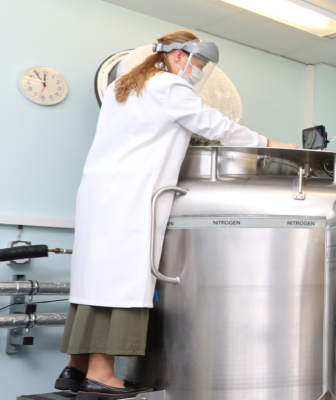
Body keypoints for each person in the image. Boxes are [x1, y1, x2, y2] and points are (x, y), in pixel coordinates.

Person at [55, 30, 297, 398]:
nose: (198, 72)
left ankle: (75, 369)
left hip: (101, 195)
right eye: (197, 63)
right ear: (179, 55)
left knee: (94, 281)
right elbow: (215, 126)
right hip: (132, 197)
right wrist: (271, 145)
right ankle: (102, 375)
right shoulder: (168, 85)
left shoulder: (126, 86)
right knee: (120, 284)